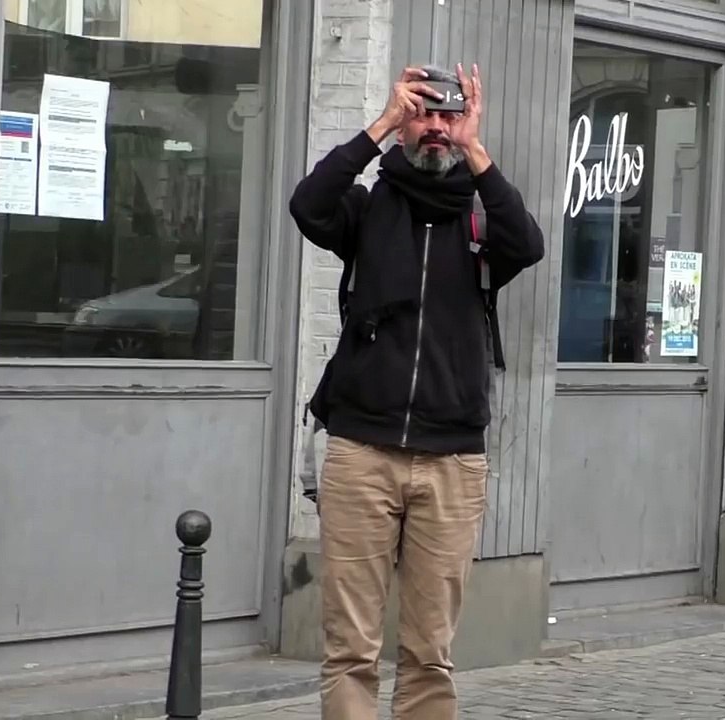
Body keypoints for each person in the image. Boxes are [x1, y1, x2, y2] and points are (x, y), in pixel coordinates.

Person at [289, 63, 545, 719]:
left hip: (452, 459)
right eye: (424, 115)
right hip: (361, 452)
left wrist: (476, 148)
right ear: (407, 122)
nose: (435, 128)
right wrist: (379, 126)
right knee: (351, 648)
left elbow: (530, 243)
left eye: (447, 117)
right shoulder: (368, 209)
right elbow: (307, 203)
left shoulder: (482, 223)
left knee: (430, 652)